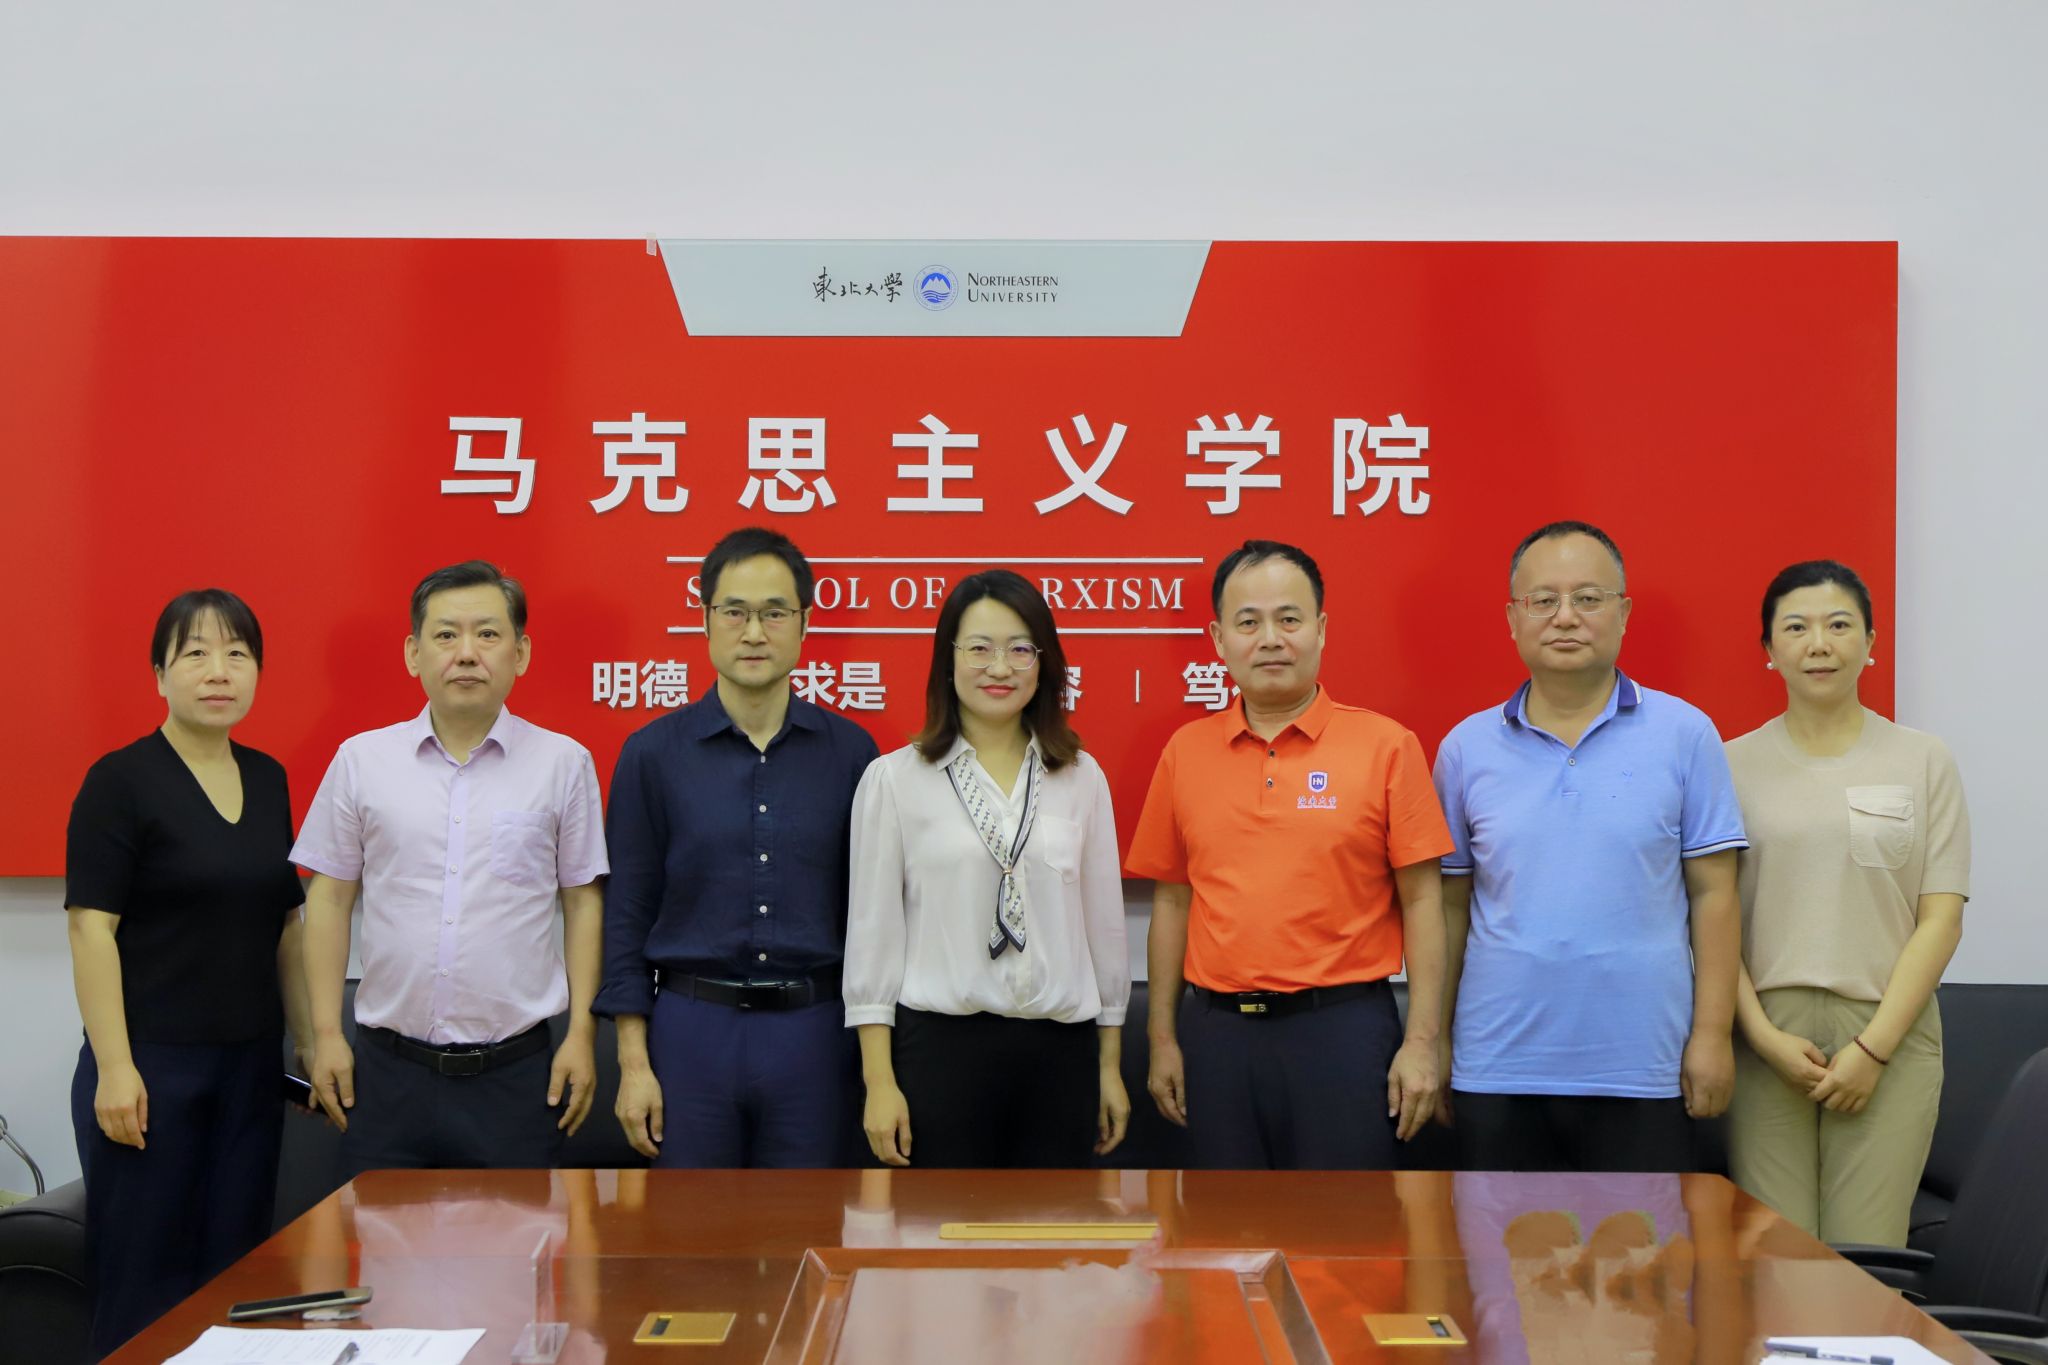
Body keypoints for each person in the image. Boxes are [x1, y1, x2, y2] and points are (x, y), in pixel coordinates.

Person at [1125, 539, 1451, 1170]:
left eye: (1289, 619)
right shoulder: (1185, 752)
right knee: (1226, 1223)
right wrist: (1162, 1038)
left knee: (1346, 1223)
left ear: (1321, 629)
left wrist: (1422, 1042)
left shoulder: (1386, 746)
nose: (1270, 639)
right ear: (1219, 640)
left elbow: (1422, 900)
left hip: (1344, 1032)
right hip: (1216, 1037)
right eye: (1248, 622)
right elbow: (1171, 902)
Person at [1433, 520, 1746, 1172]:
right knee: (1494, 1240)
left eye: (1588, 598)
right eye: (1543, 600)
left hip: (1644, 1066)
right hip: (1497, 1065)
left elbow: (1715, 895)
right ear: (1513, 618)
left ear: (1624, 613)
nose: (1565, 617)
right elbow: (1449, 908)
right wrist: (1432, 1039)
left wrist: (1713, 1036)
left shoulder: (1686, 734)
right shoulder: (1465, 748)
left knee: (1645, 1242)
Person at [295, 561, 608, 1172]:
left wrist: (581, 1036)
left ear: (521, 653)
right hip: (387, 1074)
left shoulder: (563, 763)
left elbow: (583, 903)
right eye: (446, 635)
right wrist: (327, 1035)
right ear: (414, 654)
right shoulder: (361, 760)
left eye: (488, 634)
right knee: (380, 1234)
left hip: (518, 1077)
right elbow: (328, 900)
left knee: (518, 1235)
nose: (467, 653)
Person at [64, 589, 313, 1359]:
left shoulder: (269, 778)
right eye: (196, 653)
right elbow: (90, 927)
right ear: (159, 674)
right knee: (143, 1286)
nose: (218, 670)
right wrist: (115, 1066)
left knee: (237, 1281)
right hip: (150, 1072)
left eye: (237, 653)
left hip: (249, 1072)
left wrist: (309, 1041)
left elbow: (287, 923)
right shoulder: (120, 780)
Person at [596, 527, 879, 1167]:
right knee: (690, 1224)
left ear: (805, 624)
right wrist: (633, 1064)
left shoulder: (853, 754)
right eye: (735, 612)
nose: (754, 633)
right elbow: (627, 914)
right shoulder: (652, 754)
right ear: (705, 621)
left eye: (774, 613)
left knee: (808, 1219)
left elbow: (873, 918)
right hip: (692, 1031)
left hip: (814, 1031)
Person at [845, 570, 1130, 1168]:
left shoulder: (1082, 778)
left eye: (1020, 649)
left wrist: (1108, 1067)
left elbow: (1104, 932)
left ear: (1044, 664)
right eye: (979, 648)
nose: (999, 667)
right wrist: (879, 1082)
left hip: (1061, 1057)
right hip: (941, 1053)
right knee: (941, 1225)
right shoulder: (895, 780)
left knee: (1056, 1226)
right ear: (947, 661)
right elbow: (873, 939)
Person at [1724, 560, 1968, 1244]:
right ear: (1769, 649)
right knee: (1775, 1257)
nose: (1818, 644)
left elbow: (1941, 918)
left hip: (1888, 1028)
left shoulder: (1924, 759)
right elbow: (1711, 921)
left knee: (1866, 1256)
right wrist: (1761, 1037)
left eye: (1838, 625)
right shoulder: (1728, 765)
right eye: (1795, 628)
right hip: (1768, 1034)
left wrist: (1874, 1049)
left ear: (1870, 642)